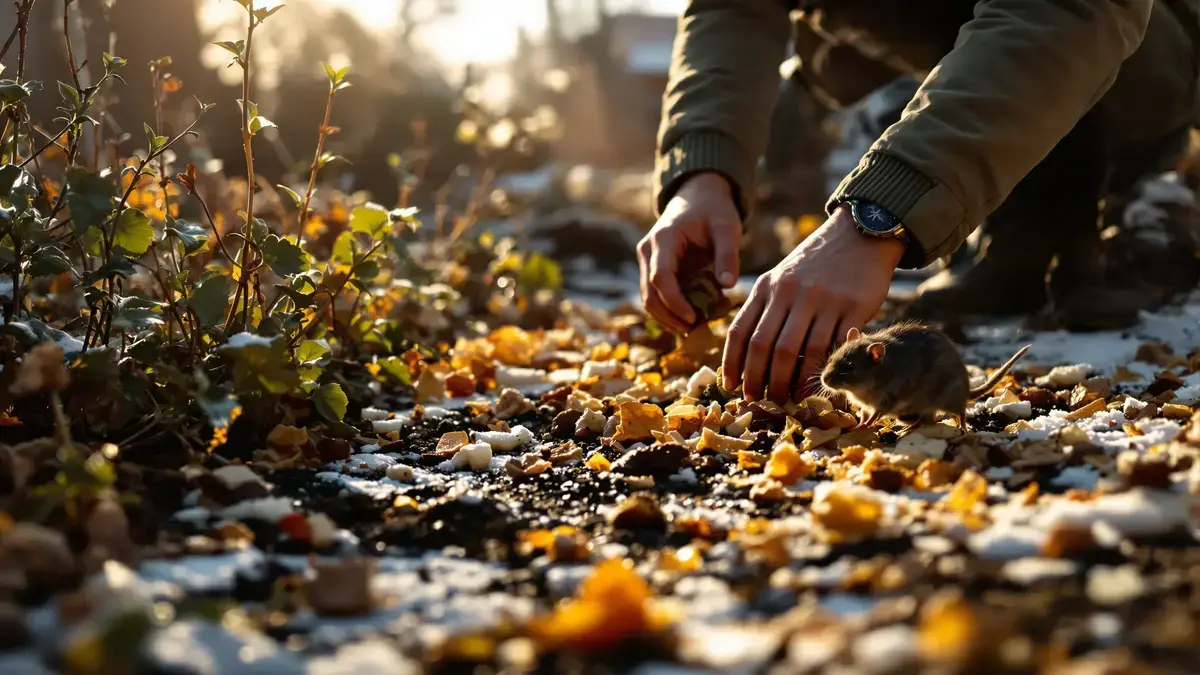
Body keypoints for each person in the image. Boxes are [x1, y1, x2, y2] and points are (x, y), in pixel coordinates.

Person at [639, 0, 1200, 405]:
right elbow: (732, 10)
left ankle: (1145, 193)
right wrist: (702, 171)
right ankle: (1024, 228)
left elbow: (1072, 13)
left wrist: (876, 218)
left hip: (1146, 50)